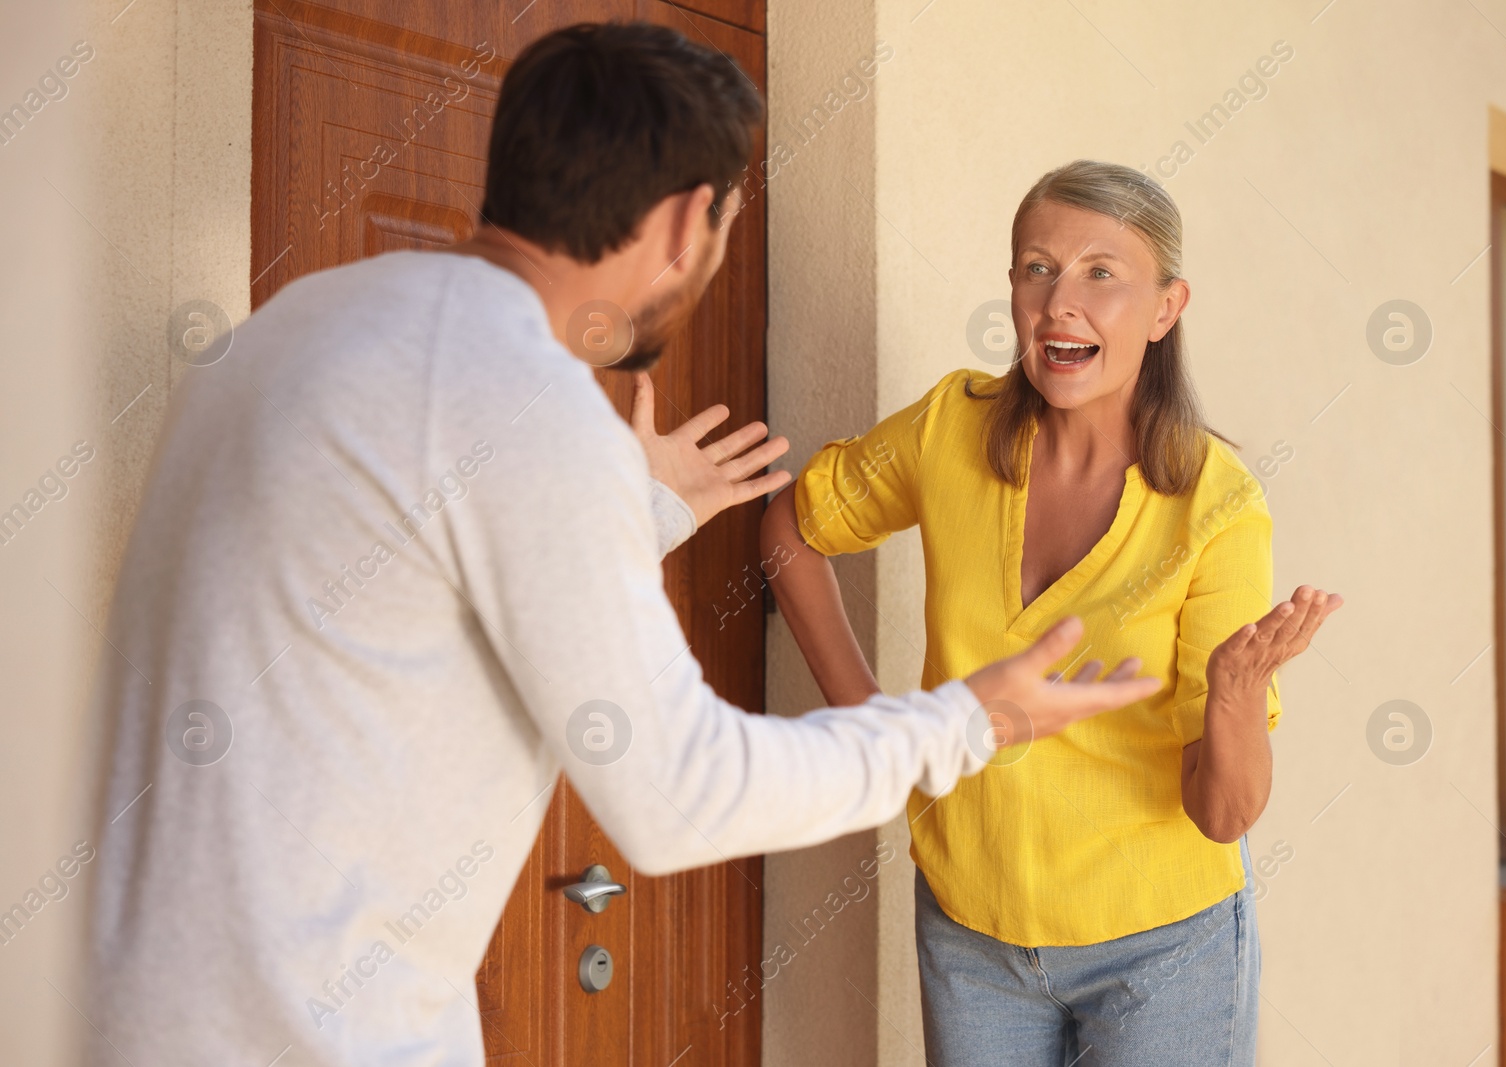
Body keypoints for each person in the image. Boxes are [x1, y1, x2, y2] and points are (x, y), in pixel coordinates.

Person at [85, 25, 1164, 1067]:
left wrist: (638, 513)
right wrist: (968, 720)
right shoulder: (525, 405)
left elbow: (385, 610)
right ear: (686, 222)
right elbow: (679, 792)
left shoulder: (288, 331)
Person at [762, 160, 1342, 1065]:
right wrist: (873, 724)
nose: (1060, 301)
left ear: (1165, 307)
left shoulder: (1217, 506)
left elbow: (1224, 813)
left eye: (1101, 273)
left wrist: (1233, 695)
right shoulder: (949, 429)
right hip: (970, 927)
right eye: (1037, 268)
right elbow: (792, 527)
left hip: (1162, 946)